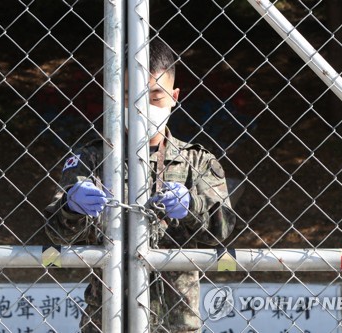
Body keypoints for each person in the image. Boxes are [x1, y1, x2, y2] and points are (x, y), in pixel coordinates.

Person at [44, 39, 236, 333]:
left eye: (155, 96)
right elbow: (53, 231)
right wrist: (72, 206)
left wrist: (192, 207)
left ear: (174, 96)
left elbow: (223, 231)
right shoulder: (92, 158)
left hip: (176, 321)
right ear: (114, 99)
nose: (142, 108)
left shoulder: (197, 161)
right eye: (129, 97)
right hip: (107, 318)